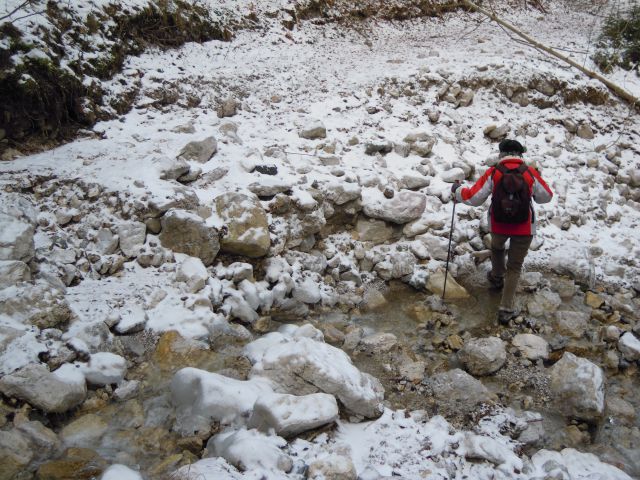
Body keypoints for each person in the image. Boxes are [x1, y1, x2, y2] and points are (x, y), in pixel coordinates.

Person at [451, 139, 553, 325]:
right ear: (520, 154)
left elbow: (474, 198)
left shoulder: (494, 172)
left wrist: (458, 191)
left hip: (499, 225)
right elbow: (546, 196)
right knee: (514, 267)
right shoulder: (529, 172)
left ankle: (497, 277)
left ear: (501, 154)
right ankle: (506, 309)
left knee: (497, 247)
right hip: (524, 227)